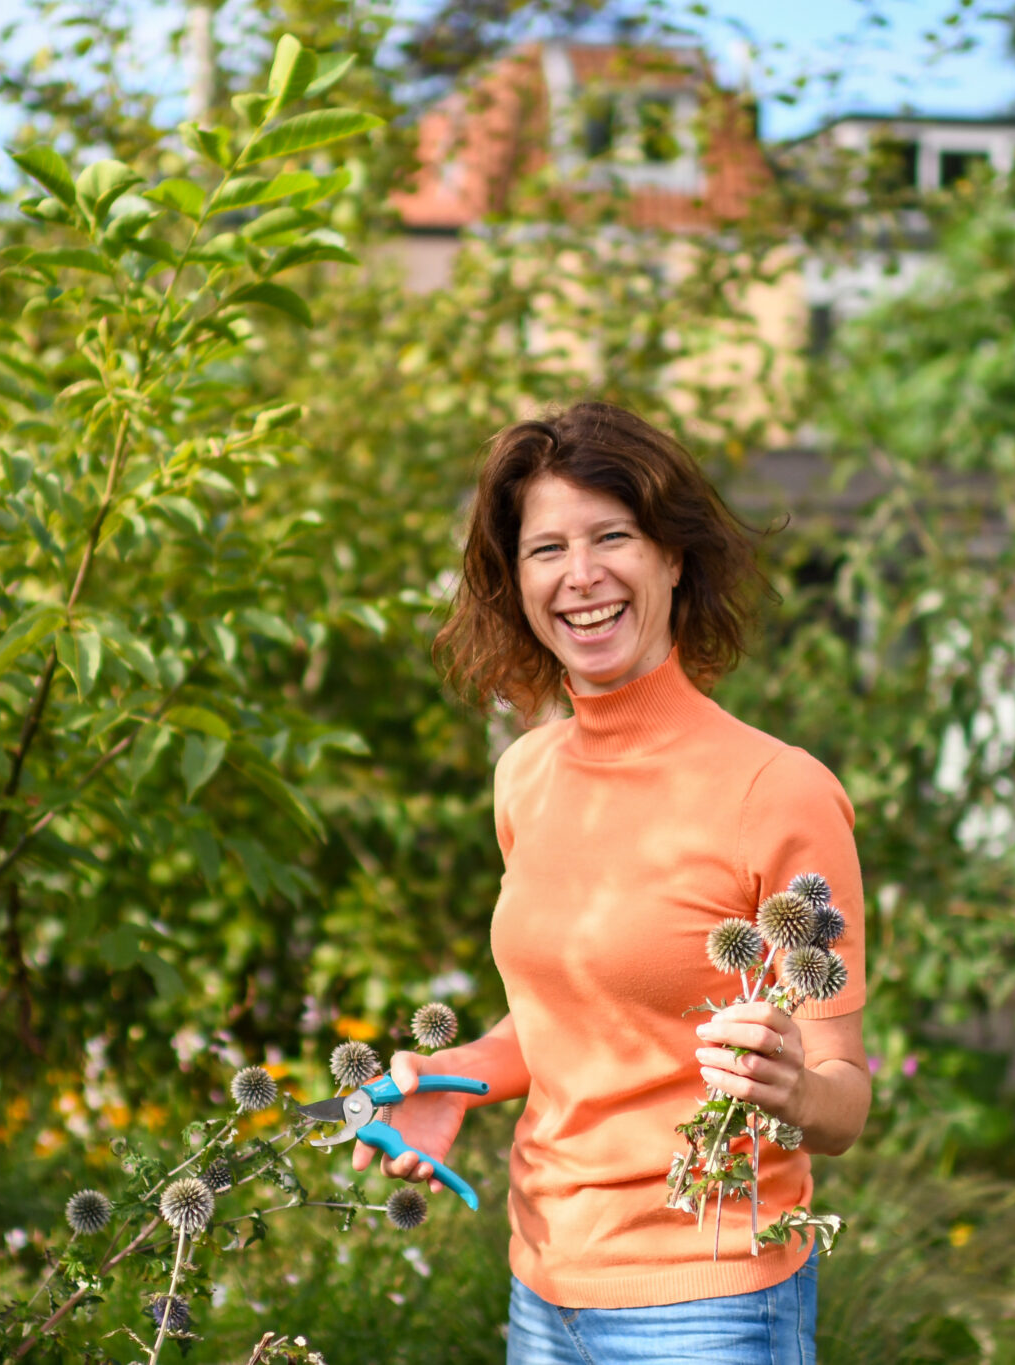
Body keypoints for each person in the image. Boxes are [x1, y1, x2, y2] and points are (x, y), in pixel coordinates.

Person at [356, 403, 871, 1365]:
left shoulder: (778, 791)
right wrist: (453, 1081)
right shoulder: (526, 776)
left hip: (713, 1301)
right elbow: (563, 1022)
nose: (580, 575)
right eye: (546, 547)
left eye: (612, 537)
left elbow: (845, 1097)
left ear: (674, 557)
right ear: (517, 580)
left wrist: (794, 1085)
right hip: (544, 1288)